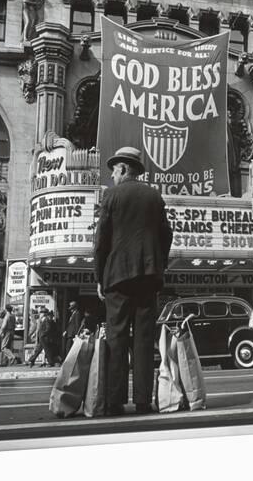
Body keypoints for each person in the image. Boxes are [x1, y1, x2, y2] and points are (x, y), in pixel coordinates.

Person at [94, 146, 172, 415]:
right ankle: (142, 401)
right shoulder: (154, 196)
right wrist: (158, 264)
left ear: (124, 169)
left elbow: (101, 240)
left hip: (117, 277)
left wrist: (99, 277)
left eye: (114, 171)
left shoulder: (111, 195)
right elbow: (166, 235)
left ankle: (114, 402)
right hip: (148, 278)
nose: (112, 176)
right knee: (143, 339)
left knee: (116, 339)